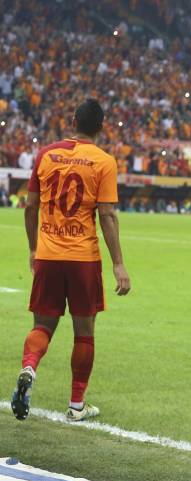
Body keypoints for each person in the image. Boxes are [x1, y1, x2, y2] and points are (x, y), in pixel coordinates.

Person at [11, 98, 131, 422]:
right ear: (101, 127)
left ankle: (29, 368)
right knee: (84, 332)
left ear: (74, 119)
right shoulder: (104, 162)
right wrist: (119, 264)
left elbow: (30, 206)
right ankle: (77, 404)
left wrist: (34, 248)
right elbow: (106, 214)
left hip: (48, 254)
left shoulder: (46, 154)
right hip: (83, 258)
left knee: (43, 325)